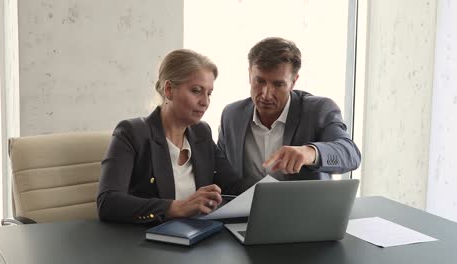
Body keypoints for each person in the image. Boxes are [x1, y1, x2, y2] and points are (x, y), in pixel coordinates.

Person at [97, 49, 254, 224]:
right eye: (196, 91)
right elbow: (108, 203)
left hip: (196, 238)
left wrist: (275, 192)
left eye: (209, 93)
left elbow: (234, 185)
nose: (205, 102)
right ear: (169, 89)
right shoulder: (131, 133)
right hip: (146, 242)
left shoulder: (201, 132)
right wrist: (176, 207)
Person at [218, 37, 361, 181]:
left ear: (293, 82)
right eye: (260, 81)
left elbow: (351, 155)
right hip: (247, 204)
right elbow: (222, 175)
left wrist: (310, 153)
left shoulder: (318, 110)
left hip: (303, 204)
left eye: (278, 84)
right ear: (249, 75)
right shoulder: (232, 116)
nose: (266, 94)